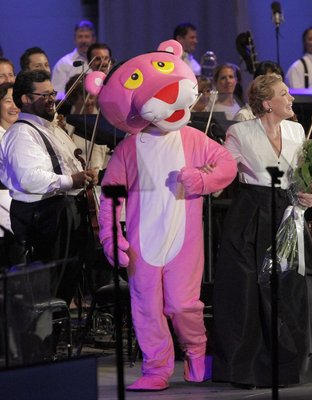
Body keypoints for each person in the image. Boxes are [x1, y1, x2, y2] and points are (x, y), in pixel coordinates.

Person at [86, 39, 237, 391]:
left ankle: (197, 355)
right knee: (146, 308)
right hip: (142, 243)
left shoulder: (193, 138)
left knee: (184, 305)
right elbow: (110, 195)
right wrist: (112, 236)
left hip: (183, 239)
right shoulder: (127, 149)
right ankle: (156, 367)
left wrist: (201, 179)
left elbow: (227, 164)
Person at [212, 73, 312, 389]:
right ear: (267, 103)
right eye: (285, 93)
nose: (292, 98)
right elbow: (222, 173)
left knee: (293, 287)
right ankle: (247, 367)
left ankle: (292, 364)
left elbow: (308, 179)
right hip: (251, 214)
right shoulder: (239, 132)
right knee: (248, 288)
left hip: (287, 211)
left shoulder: (297, 129)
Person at [0, 70, 97, 308]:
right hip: (45, 215)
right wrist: (70, 181)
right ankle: (43, 342)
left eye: (52, 93)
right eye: (44, 95)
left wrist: (83, 175)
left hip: (64, 213)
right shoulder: (22, 133)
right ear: (25, 98)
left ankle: (54, 340)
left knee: (64, 285)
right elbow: (29, 178)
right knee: (49, 289)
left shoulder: (50, 128)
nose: (52, 98)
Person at [0, 83, 21, 267]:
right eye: (8, 101)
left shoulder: (26, 134)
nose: (14, 106)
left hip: (22, 219)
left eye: (17, 101)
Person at [51, 20, 96, 100]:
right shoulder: (63, 64)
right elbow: (57, 94)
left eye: (87, 36)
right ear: (74, 39)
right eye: (80, 37)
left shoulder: (99, 62)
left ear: (93, 39)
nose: (83, 41)